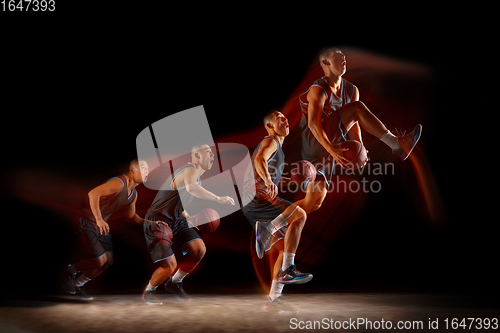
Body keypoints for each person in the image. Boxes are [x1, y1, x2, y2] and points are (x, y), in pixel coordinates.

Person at [298, 47, 422, 210]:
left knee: (314, 201)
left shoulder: (351, 90)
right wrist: (330, 148)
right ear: (326, 62)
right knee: (358, 108)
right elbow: (313, 123)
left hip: (329, 150)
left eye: (344, 55)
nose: (343, 57)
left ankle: (271, 226)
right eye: (337, 55)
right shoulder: (318, 89)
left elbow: (353, 122)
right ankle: (397, 145)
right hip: (315, 142)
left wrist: (359, 146)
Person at [142, 144, 235, 305]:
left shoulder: (194, 175)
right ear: (197, 156)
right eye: (208, 152)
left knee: (199, 250)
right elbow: (192, 189)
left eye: (213, 153)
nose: (213, 156)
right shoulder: (190, 170)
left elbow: (178, 202)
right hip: (158, 222)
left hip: (177, 219)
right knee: (169, 266)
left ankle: (174, 283)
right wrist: (219, 199)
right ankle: (149, 291)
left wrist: (190, 218)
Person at [242, 111, 313, 314]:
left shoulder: (277, 147)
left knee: (284, 248)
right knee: (300, 215)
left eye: (285, 117)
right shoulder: (271, 141)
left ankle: (274, 298)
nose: (285, 119)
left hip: (255, 198)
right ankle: (269, 232)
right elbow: (259, 161)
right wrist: (268, 181)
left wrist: (284, 181)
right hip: (258, 196)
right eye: (279, 117)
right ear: (270, 126)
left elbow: (263, 170)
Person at [62, 159, 150, 300]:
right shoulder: (119, 183)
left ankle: (77, 285)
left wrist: (151, 223)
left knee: (107, 262)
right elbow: (93, 194)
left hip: (101, 225)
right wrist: (98, 218)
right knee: (99, 261)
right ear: (132, 169)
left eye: (149, 169)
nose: (147, 172)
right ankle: (70, 270)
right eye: (144, 168)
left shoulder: (133, 194)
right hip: (89, 220)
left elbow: (132, 217)